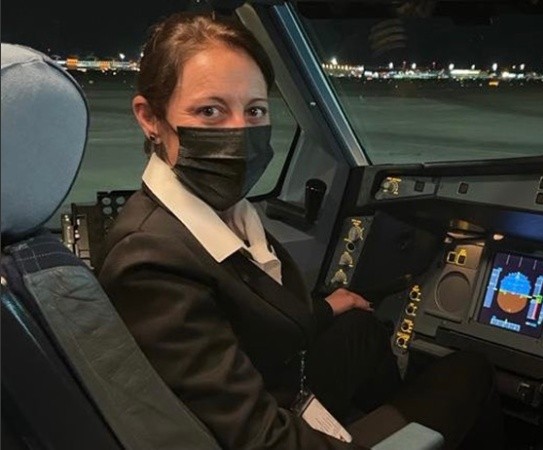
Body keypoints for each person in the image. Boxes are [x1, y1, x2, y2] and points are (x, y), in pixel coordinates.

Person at [98, 10, 502, 450]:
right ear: (150, 118)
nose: (240, 132)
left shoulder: (219, 211)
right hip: (275, 423)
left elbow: (249, 323)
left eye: (254, 110)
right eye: (210, 111)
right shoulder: (151, 262)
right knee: (470, 370)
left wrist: (325, 309)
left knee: (363, 329)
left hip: (280, 382)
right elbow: (258, 439)